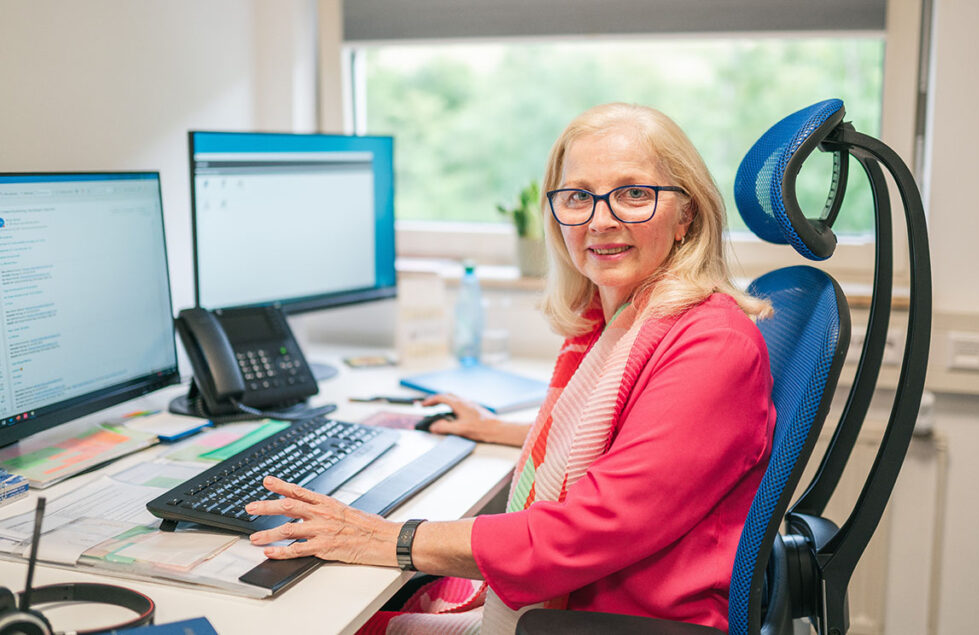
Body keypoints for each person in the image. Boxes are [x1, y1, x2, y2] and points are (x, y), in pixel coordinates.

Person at [246, 103, 776, 633]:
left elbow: (588, 529)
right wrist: (497, 430)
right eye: (578, 197)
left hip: (618, 618)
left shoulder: (713, 344)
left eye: (634, 193)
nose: (600, 219)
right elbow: (642, 443)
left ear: (687, 215)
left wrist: (389, 538)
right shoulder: (619, 320)